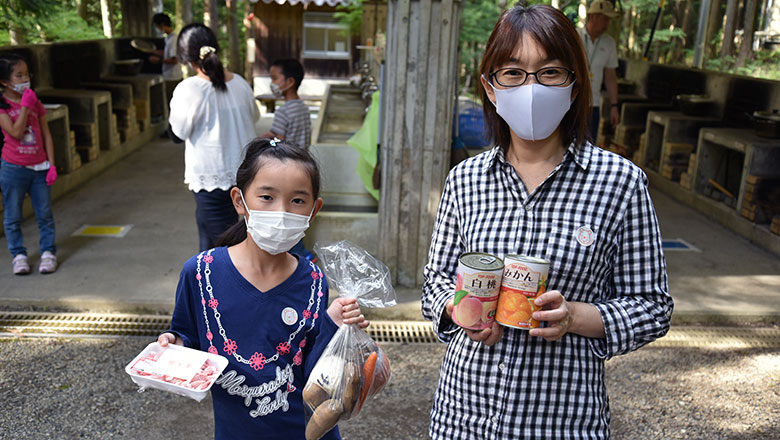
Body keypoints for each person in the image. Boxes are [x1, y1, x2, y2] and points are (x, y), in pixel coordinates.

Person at [421, 5, 672, 439]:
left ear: (575, 85)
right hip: (464, 415)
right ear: (490, 87)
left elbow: (652, 307)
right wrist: (461, 308)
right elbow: (435, 280)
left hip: (562, 420)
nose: (531, 87)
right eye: (514, 73)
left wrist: (573, 316)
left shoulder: (621, 183)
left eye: (551, 72)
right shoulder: (465, 179)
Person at [157, 137, 367, 439]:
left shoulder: (314, 282)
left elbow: (315, 375)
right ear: (240, 200)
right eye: (267, 197)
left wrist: (333, 324)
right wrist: (173, 344)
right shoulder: (200, 274)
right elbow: (185, 335)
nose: (281, 212)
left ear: (314, 209)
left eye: (297, 200)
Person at [169, 23, 259, 252]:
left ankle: (220, 287)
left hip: (211, 178)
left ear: (187, 59)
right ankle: (201, 285)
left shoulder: (189, 89)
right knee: (209, 238)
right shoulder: (241, 84)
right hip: (245, 176)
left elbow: (177, 134)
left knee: (224, 250)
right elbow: (254, 117)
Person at [0, 53, 58, 275]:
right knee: (13, 215)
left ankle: (48, 252)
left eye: (27, 74)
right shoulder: (4, 106)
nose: (25, 79)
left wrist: (51, 164)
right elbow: (15, 132)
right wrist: (25, 106)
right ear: (5, 81)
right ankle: (19, 255)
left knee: (44, 213)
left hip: (40, 168)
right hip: (13, 168)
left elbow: (46, 134)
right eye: (19, 75)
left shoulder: (36, 102)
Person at [580, 0, 621, 141]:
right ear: (593, 17)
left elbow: (610, 76)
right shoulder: (574, 36)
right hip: (571, 103)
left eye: (609, 20)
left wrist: (614, 106)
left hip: (594, 105)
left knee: (589, 146)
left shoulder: (609, 43)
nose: (607, 24)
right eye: (605, 19)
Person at [261, 59, 311, 150]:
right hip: (303, 158)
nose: (272, 83)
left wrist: (265, 141)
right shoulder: (303, 108)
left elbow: (279, 141)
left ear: (290, 82)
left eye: (274, 78)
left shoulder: (283, 111)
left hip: (288, 160)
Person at [149, 13, 183, 105]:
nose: (157, 29)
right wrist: (154, 52)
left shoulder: (173, 39)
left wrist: (158, 60)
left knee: (174, 105)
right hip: (169, 76)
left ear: (162, 25)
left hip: (173, 78)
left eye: (157, 26)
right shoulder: (168, 38)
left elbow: (174, 60)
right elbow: (168, 54)